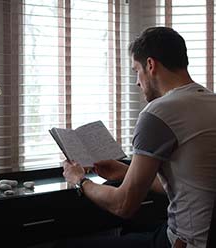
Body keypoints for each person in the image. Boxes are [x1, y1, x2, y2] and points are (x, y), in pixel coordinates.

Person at [58, 26, 216, 248]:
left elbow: (124, 205)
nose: (137, 82)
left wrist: (79, 180)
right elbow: (192, 183)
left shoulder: (159, 113)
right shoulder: (210, 101)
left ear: (150, 65)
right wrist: (125, 171)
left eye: (136, 71)